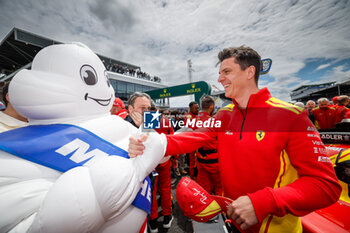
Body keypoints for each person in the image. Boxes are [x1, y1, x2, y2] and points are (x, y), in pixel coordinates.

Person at [129, 46, 341, 233]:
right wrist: (150, 143)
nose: (220, 79)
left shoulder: (292, 115)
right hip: (233, 221)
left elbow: (326, 186)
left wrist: (262, 202)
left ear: (250, 72)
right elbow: (193, 135)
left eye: (227, 72)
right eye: (220, 73)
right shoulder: (223, 115)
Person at [0, 43, 167, 233]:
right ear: (129, 108)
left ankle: (157, 221)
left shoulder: (137, 123)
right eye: (143, 108)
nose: (148, 112)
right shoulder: (119, 118)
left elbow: (164, 149)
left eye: (150, 109)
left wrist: (149, 136)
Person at [149, 108, 174, 233]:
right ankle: (166, 218)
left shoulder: (145, 122)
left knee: (152, 191)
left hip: (150, 162)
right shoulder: (165, 121)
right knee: (165, 189)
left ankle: (153, 223)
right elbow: (172, 140)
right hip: (164, 159)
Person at [195, 95, 222, 196]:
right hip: (214, 161)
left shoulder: (193, 120)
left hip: (200, 160)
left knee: (204, 188)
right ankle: (219, 210)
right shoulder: (214, 122)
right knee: (219, 188)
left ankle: (207, 210)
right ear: (211, 106)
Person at [185, 101, 199, 180]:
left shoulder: (197, 116)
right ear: (190, 108)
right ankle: (193, 178)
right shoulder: (188, 118)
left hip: (198, 143)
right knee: (192, 162)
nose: (197, 109)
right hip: (192, 144)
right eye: (195, 108)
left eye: (198, 108)